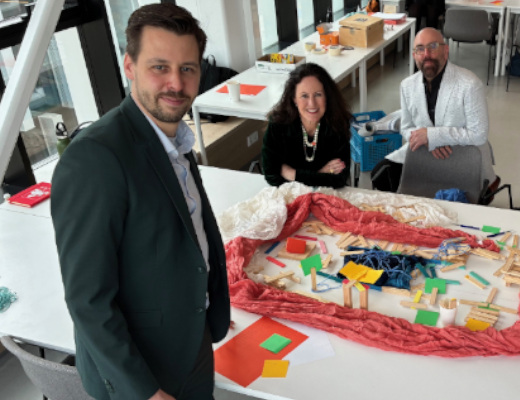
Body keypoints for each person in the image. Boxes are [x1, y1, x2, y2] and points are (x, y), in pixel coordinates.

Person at [51, 4, 230, 400]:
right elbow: (87, 300)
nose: (176, 83)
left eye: (187, 68)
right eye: (159, 67)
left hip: (191, 339)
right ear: (129, 66)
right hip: (144, 373)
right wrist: (144, 391)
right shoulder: (94, 157)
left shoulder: (175, 141)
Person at [371, 28, 497, 194]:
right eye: (420, 49)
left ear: (446, 50)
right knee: (381, 175)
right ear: (414, 55)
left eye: (433, 46)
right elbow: (406, 127)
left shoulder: (470, 84)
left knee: (451, 195)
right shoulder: (407, 86)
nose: (426, 54)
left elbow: (479, 134)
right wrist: (428, 141)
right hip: (427, 150)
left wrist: (433, 136)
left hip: (462, 155)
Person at [261, 63, 352, 188]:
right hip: (289, 195)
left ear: (327, 96)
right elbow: (271, 175)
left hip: (326, 195)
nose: (312, 103)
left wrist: (291, 173)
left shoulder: (337, 123)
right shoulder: (278, 124)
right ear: (294, 99)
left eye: (318, 94)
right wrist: (321, 174)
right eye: (304, 96)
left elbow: (339, 179)